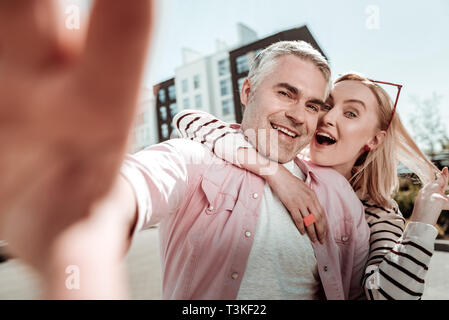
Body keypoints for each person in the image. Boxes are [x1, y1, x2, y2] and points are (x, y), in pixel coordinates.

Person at [173, 72, 449, 300]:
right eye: (326, 105)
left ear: (374, 140)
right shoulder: (279, 160)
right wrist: (277, 175)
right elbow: (189, 120)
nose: (328, 118)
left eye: (351, 113)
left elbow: (384, 295)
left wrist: (422, 222)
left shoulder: (379, 215)